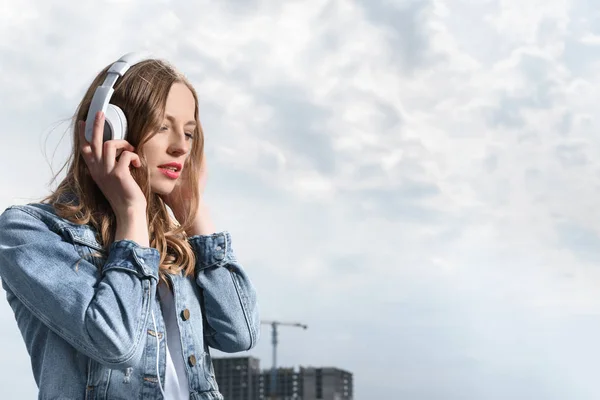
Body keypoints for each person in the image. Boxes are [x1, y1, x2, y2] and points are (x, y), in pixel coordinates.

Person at [0, 52, 260, 400]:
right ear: (109, 128)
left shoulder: (172, 246)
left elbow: (239, 334)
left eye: (189, 133)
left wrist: (195, 215)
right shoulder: (28, 233)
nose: (181, 147)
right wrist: (132, 213)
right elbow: (113, 341)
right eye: (163, 126)